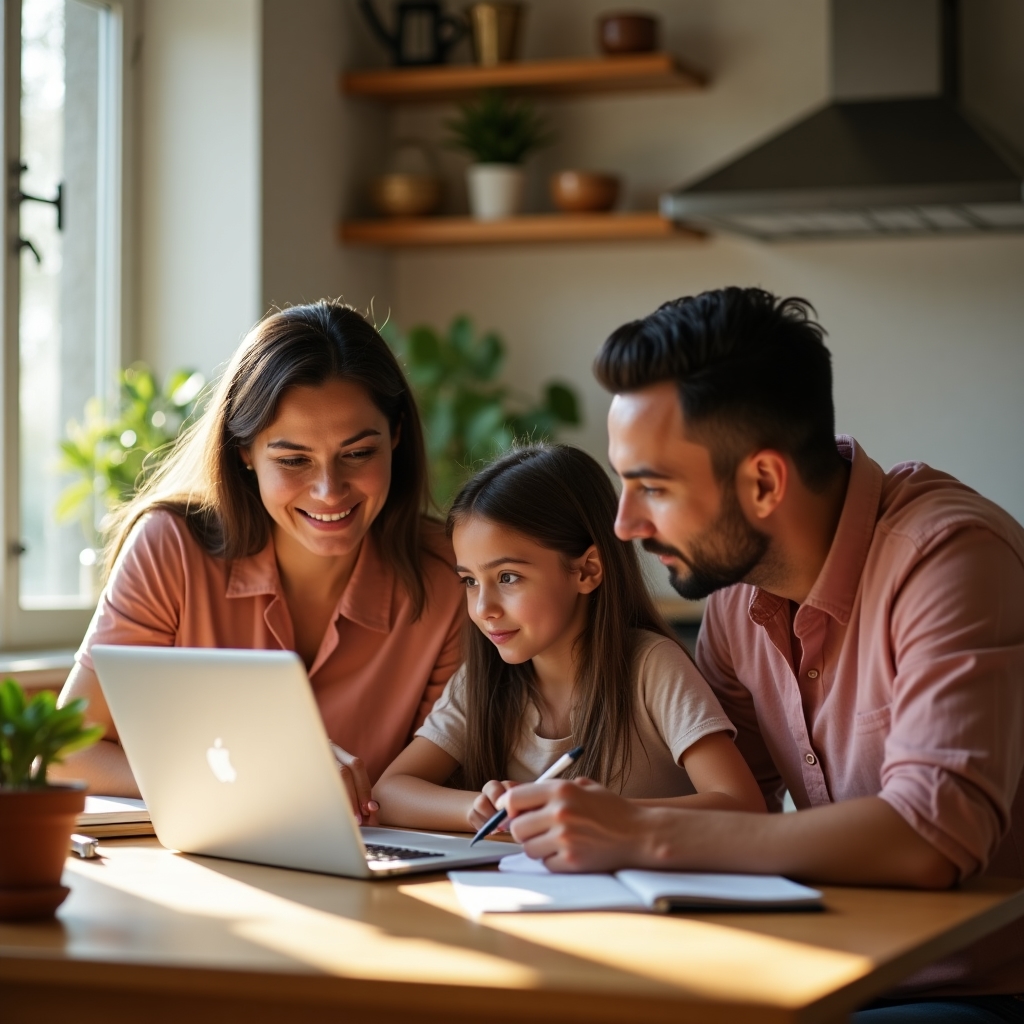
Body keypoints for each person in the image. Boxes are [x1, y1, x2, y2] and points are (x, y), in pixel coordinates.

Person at [498, 288, 1024, 1020]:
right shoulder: (738, 599)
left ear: (764, 482)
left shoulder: (950, 559)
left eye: (652, 486)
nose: (623, 523)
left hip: (975, 991)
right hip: (819, 973)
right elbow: (719, 804)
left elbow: (928, 838)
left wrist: (637, 830)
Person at [55, 301, 465, 823]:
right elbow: (67, 751)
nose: (329, 491)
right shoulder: (170, 548)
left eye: (359, 453)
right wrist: (251, 783)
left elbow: (436, 782)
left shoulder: (449, 573)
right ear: (244, 450)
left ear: (397, 434)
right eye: (293, 460)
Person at [373, 443, 765, 832]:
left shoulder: (652, 666)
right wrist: (478, 808)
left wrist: (604, 815)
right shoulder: (481, 679)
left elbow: (743, 806)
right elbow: (389, 792)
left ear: (587, 570)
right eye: (470, 581)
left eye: (508, 577)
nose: (483, 608)